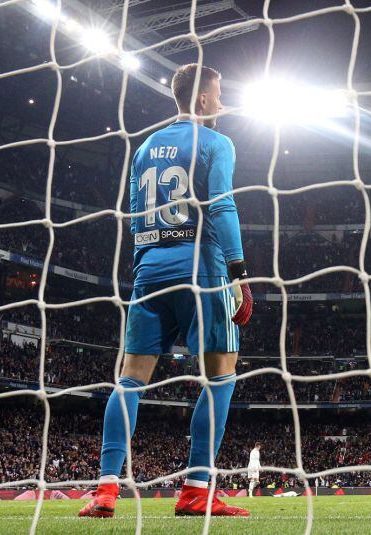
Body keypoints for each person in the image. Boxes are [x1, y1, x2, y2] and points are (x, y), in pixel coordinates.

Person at [79, 63, 252, 519]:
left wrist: (143, 269)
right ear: (200, 100)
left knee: (130, 379)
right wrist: (238, 271)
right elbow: (221, 205)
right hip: (202, 269)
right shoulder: (217, 142)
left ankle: (105, 490)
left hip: (149, 270)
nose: (221, 102)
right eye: (218, 94)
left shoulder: (146, 148)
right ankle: (196, 489)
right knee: (221, 377)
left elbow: (137, 218)